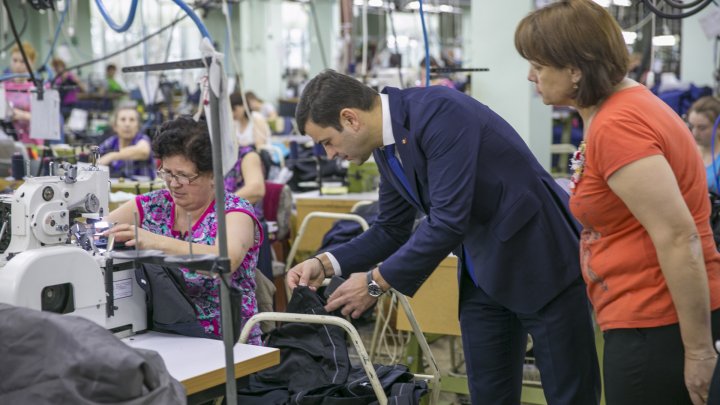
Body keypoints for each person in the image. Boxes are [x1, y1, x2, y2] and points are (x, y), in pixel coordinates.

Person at [286, 69, 601, 404]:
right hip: (484, 275)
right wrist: (325, 264)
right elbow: (391, 228)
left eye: (327, 143)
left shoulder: (439, 112)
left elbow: (449, 220)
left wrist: (376, 282)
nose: (329, 156)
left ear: (350, 119)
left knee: (570, 395)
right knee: (488, 395)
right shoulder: (385, 148)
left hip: (541, 261)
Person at [514, 2, 720, 405]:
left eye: (538, 65)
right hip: (647, 312)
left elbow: (679, 237)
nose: (530, 76)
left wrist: (698, 351)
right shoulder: (623, 106)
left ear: (574, 69)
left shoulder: (618, 125)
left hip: (656, 319)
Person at [105, 115, 264, 345]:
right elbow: (99, 230)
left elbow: (225, 259)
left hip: (226, 343)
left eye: (184, 176)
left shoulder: (234, 211)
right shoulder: (154, 204)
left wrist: (154, 242)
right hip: (161, 335)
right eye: (167, 173)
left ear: (213, 174)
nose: (173, 183)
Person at [97, 104, 155, 179]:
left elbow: (143, 151)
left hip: (143, 190)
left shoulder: (142, 139)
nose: (127, 124)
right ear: (115, 126)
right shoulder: (111, 142)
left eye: (132, 120)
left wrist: (112, 156)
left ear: (138, 126)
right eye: (123, 119)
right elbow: (96, 158)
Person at [3, 42, 43, 145]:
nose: (17, 65)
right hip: (7, 143)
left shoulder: (38, 87)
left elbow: (45, 120)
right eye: (15, 60)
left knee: (28, 162)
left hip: (32, 144)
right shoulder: (3, 86)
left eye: (22, 61)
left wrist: (21, 115)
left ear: (32, 62)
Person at [688, 96, 720, 194]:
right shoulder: (686, 153)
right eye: (691, 126)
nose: (694, 133)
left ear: (718, 127)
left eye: (702, 128)